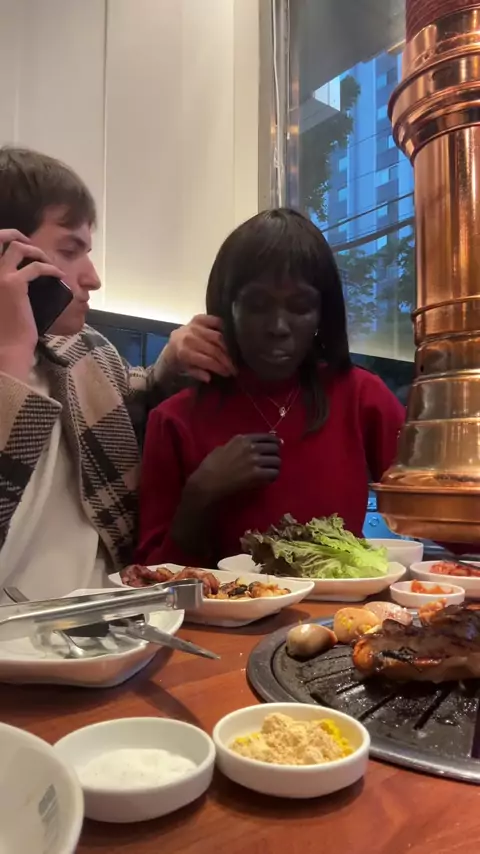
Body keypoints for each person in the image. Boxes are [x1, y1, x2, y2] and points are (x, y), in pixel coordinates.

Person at [0, 146, 233, 601]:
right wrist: (11, 357)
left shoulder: (88, 351)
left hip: (107, 627)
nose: (92, 278)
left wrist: (173, 359)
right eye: (70, 250)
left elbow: (137, 400)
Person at [137, 208, 406, 568]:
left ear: (321, 314)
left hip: (343, 606)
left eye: (300, 307)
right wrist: (199, 495)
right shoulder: (174, 419)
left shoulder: (362, 396)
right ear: (227, 308)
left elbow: (442, 514)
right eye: (257, 305)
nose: (278, 326)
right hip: (219, 607)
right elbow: (151, 575)